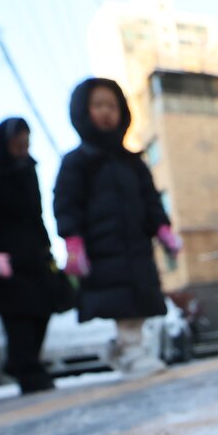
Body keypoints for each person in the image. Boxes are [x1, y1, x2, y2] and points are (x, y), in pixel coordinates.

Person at [53, 77, 182, 377]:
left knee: (139, 300)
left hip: (136, 246)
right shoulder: (77, 162)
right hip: (101, 248)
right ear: (83, 111)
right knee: (123, 305)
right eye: (98, 105)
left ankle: (123, 349)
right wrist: (73, 240)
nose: (106, 112)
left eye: (112, 105)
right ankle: (133, 351)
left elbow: (151, 200)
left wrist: (162, 229)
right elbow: (66, 202)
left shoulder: (133, 162)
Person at [0, 117, 66, 395]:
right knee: (18, 315)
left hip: (34, 253)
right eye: (18, 143)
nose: (23, 148)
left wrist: (48, 249)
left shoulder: (28, 168)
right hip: (3, 258)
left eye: (26, 143)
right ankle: (30, 373)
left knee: (43, 309)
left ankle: (20, 362)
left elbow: (37, 213)